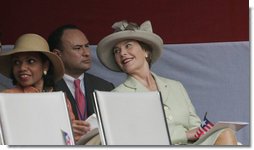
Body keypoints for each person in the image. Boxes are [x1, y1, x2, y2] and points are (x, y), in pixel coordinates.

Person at [96, 20, 238, 145]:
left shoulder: (176, 86)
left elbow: (195, 127)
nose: (122, 53)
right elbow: (131, 139)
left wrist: (205, 131)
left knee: (225, 133)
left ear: (146, 51)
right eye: (116, 51)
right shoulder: (118, 96)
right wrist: (184, 135)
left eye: (128, 46)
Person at [0, 33, 88, 144]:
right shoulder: (6, 98)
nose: (22, 68)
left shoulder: (61, 100)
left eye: (31, 61)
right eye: (16, 62)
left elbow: (68, 141)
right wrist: (60, 130)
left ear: (45, 66)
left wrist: (77, 133)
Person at [47, 24, 114, 143]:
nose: (87, 53)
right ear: (58, 54)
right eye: (77, 48)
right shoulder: (46, 88)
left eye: (87, 46)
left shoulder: (105, 87)